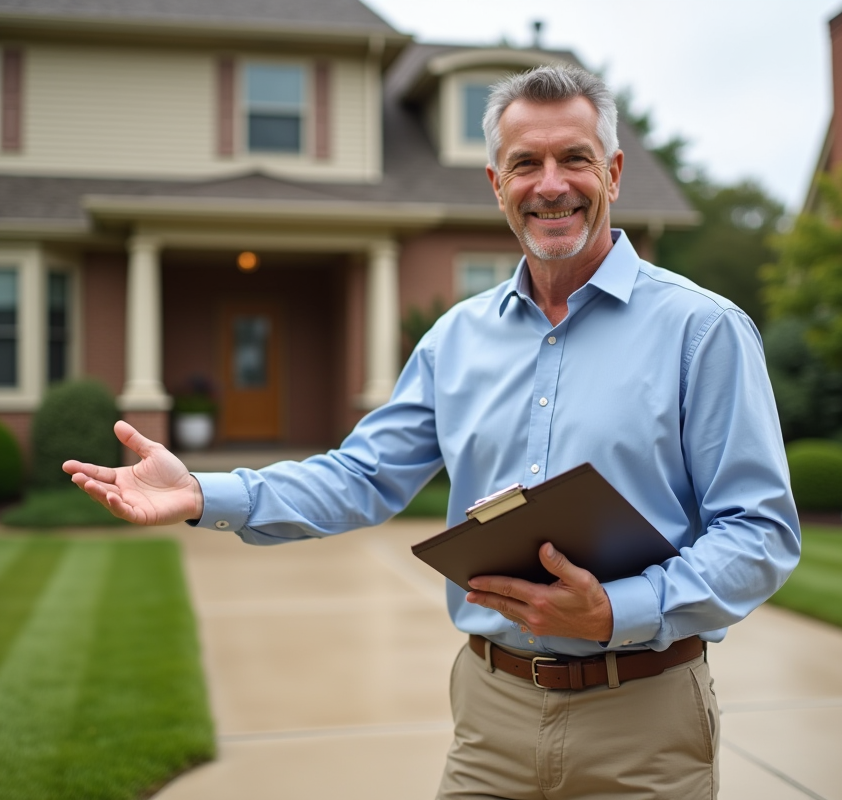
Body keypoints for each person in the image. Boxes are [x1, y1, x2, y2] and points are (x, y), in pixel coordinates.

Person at [65, 64, 800, 800]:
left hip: (644, 722)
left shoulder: (701, 332)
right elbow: (361, 476)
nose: (551, 185)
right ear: (495, 183)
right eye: (526, 164)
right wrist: (200, 491)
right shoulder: (456, 341)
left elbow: (760, 532)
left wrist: (619, 609)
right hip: (491, 716)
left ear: (612, 171)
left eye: (574, 159)